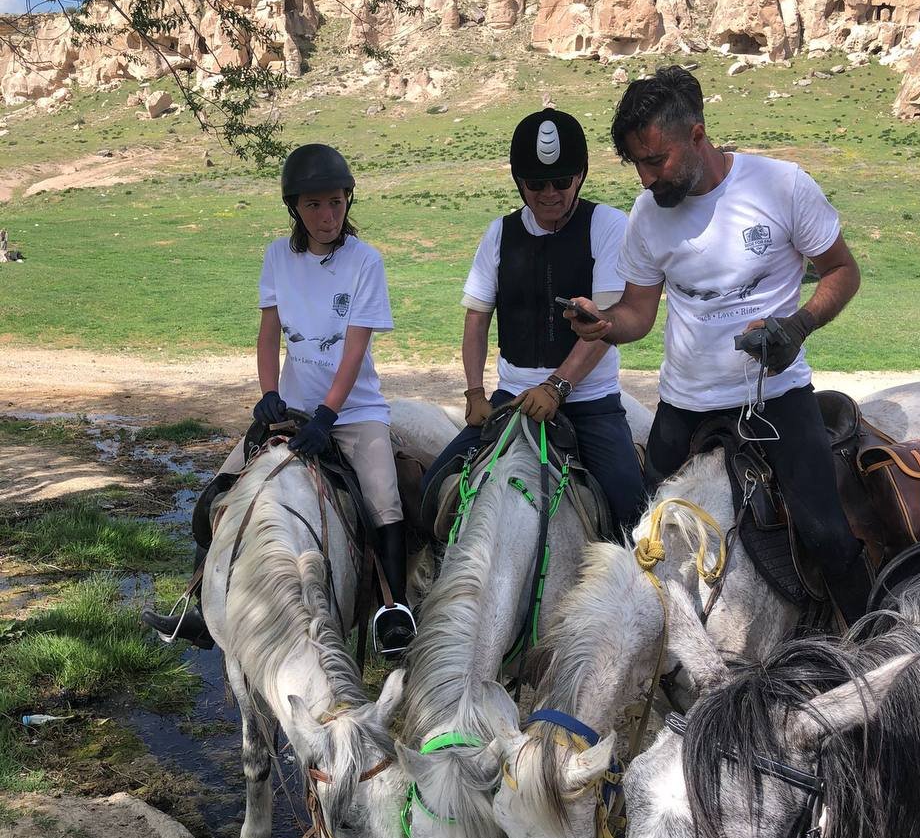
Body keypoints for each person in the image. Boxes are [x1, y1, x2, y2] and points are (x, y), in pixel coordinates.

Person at [564, 65, 872, 626]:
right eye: (636, 164)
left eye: (655, 161)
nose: (645, 179)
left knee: (827, 533)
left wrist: (797, 327)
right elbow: (638, 311)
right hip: (685, 404)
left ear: (697, 134)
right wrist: (604, 324)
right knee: (642, 534)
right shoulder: (647, 217)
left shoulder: (780, 186)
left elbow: (843, 271)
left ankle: (872, 645)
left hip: (774, 396)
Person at [143, 144, 417, 656]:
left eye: (336, 202)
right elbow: (269, 335)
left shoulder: (365, 262)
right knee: (219, 494)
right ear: (296, 208)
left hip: (354, 412)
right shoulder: (277, 257)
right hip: (291, 411)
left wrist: (329, 416)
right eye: (314, 205)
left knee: (384, 499)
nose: (327, 215)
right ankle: (201, 605)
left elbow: (355, 348)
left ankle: (394, 611)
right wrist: (268, 394)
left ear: (347, 200)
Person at [422, 109, 645, 536]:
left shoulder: (609, 226)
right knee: (435, 488)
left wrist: (558, 385)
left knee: (628, 508)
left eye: (561, 182)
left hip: (588, 400)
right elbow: (477, 318)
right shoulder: (499, 233)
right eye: (536, 184)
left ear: (580, 175)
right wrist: (474, 393)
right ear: (518, 182)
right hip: (512, 396)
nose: (549, 193)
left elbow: (606, 323)